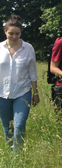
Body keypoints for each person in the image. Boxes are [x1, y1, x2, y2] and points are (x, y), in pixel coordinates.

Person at [0, 16, 39, 151]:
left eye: (17, 33)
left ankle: (17, 156)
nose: (14, 36)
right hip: (2, 94)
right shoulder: (0, 48)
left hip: (22, 92)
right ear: (5, 31)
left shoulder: (28, 48)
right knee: (7, 128)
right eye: (11, 33)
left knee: (19, 125)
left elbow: (32, 72)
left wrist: (36, 93)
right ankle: (10, 155)